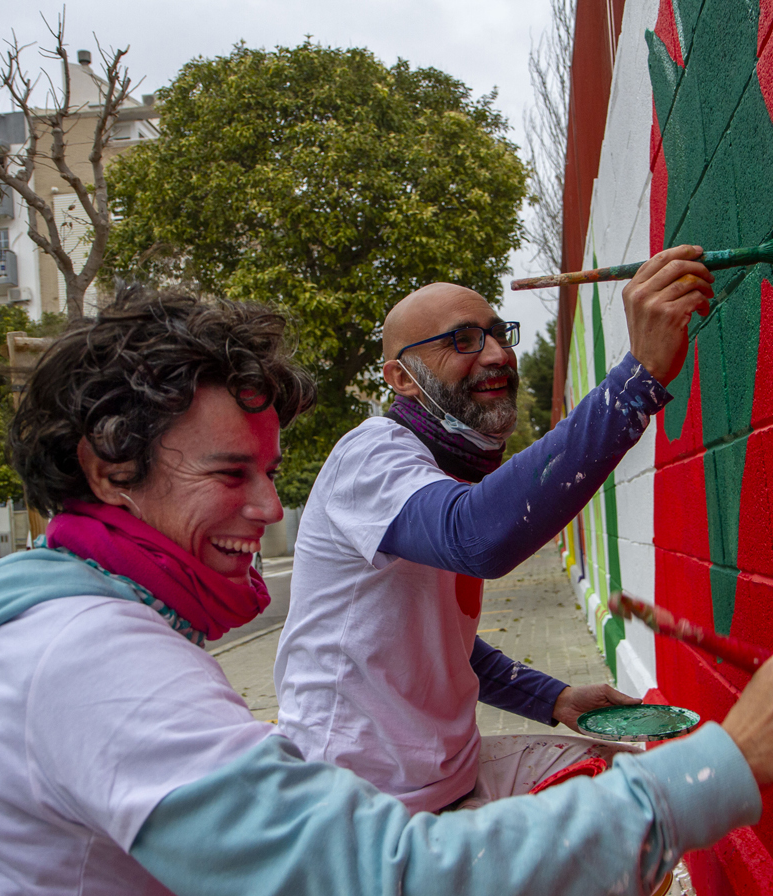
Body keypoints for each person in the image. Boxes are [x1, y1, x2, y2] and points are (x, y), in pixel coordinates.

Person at [0, 288, 773, 896]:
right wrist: (720, 769)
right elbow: (388, 887)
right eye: (231, 473)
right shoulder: (96, 659)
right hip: (379, 803)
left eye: (270, 473)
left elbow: (435, 639)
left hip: (413, 797)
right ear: (109, 469)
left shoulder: (59, 620)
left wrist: (549, 696)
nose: (274, 509)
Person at [275, 246, 719, 817]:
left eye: (497, 333)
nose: (496, 355)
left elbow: (442, 647)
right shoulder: (370, 456)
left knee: (640, 788)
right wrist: (636, 381)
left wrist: (556, 698)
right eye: (462, 340)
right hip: (356, 807)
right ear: (400, 377)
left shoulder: (441, 470)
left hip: (445, 780)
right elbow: (477, 537)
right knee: (637, 813)